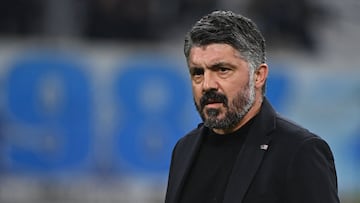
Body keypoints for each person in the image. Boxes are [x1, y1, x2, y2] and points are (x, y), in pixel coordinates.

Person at [164, 10, 339, 203]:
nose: (207, 85)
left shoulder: (299, 151)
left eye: (222, 70)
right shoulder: (184, 149)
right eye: (198, 73)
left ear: (258, 75)